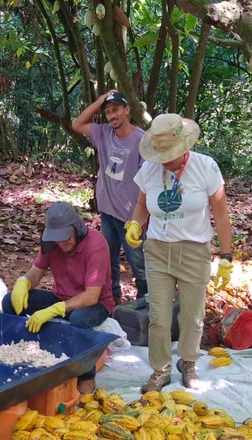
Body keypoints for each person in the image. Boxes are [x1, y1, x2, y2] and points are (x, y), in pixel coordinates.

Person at [126, 113, 234, 392]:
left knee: (191, 316)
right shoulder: (149, 169)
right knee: (159, 318)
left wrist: (226, 256)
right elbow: (141, 205)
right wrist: (135, 225)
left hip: (194, 250)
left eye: (169, 154)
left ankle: (188, 362)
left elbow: (221, 214)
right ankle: (160, 370)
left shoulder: (205, 167)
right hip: (158, 250)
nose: (165, 160)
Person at [2, 201, 115, 396]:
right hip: (59, 296)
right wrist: (24, 282)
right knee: (8, 301)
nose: (62, 244)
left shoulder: (96, 245)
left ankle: (87, 378)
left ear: (76, 229)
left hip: (96, 303)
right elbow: (35, 273)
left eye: (66, 239)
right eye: (57, 240)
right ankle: (24, 356)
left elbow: (91, 295)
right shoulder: (51, 245)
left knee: (78, 319)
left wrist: (54, 310)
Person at [71, 90, 147, 303]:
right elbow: (77, 124)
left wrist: (141, 217)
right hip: (107, 210)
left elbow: (147, 181)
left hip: (131, 215)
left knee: (137, 260)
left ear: (127, 110)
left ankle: (145, 299)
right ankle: (112, 297)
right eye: (107, 112)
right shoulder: (103, 133)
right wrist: (99, 100)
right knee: (107, 256)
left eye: (116, 110)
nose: (112, 116)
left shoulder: (141, 140)